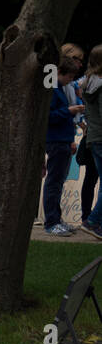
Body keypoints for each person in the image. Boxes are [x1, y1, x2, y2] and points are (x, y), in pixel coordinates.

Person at [43, 49, 84, 235]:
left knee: (58, 182)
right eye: (69, 77)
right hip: (56, 140)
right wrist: (69, 111)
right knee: (54, 181)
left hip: (63, 140)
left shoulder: (58, 88)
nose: (70, 81)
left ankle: (56, 218)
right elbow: (47, 116)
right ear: (60, 73)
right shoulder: (52, 88)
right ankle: (51, 222)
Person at [64, 44, 98, 217]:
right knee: (91, 178)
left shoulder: (82, 81)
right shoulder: (74, 82)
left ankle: (87, 216)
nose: (79, 64)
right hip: (93, 133)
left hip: (90, 132)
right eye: (77, 59)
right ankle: (91, 219)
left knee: (90, 178)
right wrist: (81, 121)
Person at [78, 45, 102, 239]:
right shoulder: (100, 85)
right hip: (100, 137)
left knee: (96, 181)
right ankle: (93, 220)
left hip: (94, 137)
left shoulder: (87, 83)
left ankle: (94, 220)